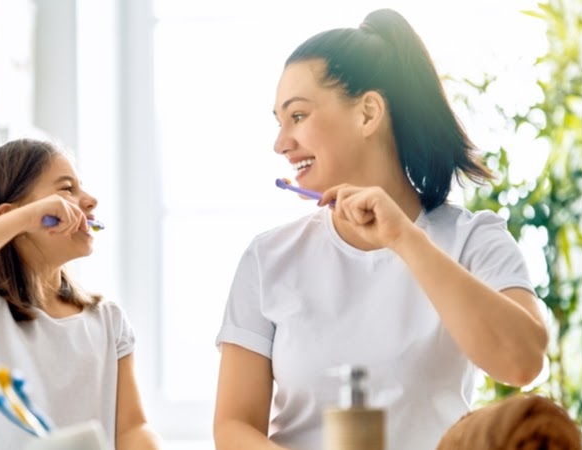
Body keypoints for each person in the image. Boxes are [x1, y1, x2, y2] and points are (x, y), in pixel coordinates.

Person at [213, 8, 548, 450]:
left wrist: (403, 239)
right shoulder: (267, 257)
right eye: (279, 123)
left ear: (368, 113)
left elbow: (522, 362)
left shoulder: (472, 238)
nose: (280, 144)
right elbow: (234, 427)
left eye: (297, 117)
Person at [0, 138, 161, 450]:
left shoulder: (108, 321)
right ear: (10, 216)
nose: (89, 200)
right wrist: (23, 218)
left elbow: (132, 428)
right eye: (67, 189)